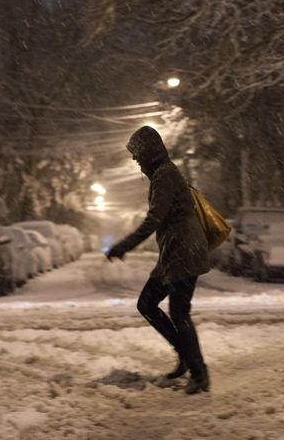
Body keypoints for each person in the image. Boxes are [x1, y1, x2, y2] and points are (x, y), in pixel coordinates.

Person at [106, 126, 211, 395]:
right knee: (148, 303)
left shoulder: (165, 175)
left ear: (149, 151)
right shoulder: (163, 174)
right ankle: (185, 355)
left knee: (179, 312)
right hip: (174, 253)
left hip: (183, 252)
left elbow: (155, 219)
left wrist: (123, 245)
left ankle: (199, 373)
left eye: (137, 153)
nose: (135, 160)